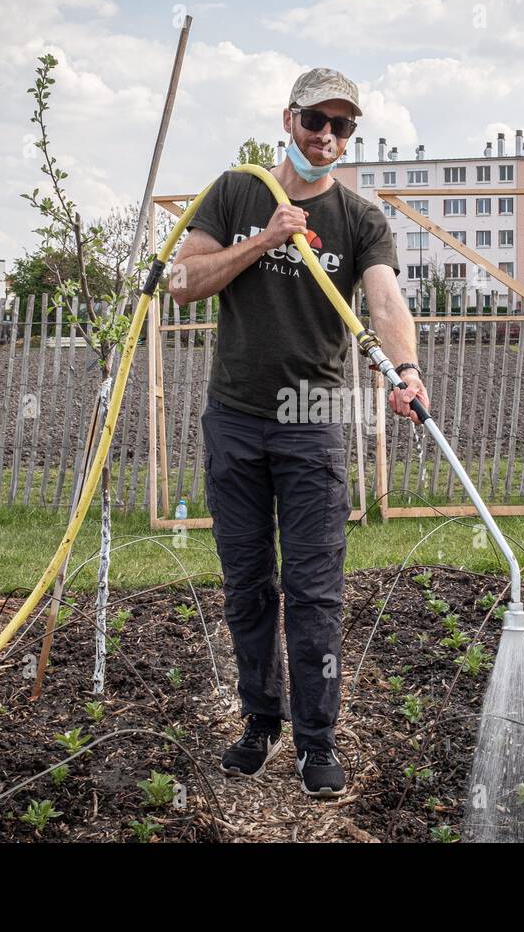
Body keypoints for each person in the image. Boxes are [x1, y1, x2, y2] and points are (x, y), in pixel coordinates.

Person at [170, 68, 429, 797]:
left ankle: (317, 740)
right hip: (236, 418)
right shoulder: (238, 191)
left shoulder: (359, 219)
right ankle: (260, 723)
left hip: (312, 423)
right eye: (316, 120)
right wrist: (265, 240)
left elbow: (383, 302)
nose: (327, 136)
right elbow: (183, 282)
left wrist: (403, 369)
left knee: (314, 591)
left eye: (342, 126)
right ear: (289, 118)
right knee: (248, 586)